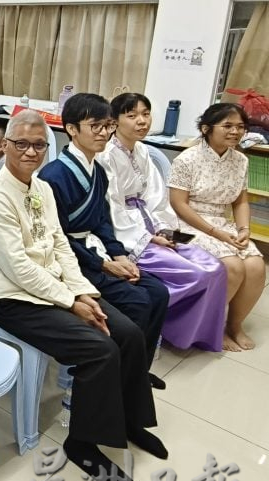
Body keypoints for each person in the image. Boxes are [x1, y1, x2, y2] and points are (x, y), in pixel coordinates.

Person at [0, 109, 165, 481]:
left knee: (128, 333)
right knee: (100, 349)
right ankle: (82, 443)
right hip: (12, 300)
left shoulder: (41, 186)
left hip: (55, 289)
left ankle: (130, 421)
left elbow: (61, 246)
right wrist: (69, 300)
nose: (30, 152)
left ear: (48, 147)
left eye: (39, 145)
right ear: (6, 145)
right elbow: (18, 271)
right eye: (21, 144)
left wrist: (83, 291)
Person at [39, 93, 169, 385]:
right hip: (71, 259)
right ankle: (115, 374)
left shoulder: (98, 170)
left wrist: (118, 254)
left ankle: (137, 370)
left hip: (96, 251)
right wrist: (103, 264)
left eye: (107, 125)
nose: (104, 133)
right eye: (94, 126)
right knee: (138, 302)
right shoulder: (52, 176)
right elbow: (55, 235)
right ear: (72, 129)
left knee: (159, 294)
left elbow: (102, 220)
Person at [96, 93, 227, 353]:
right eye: (132, 115)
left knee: (216, 268)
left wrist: (165, 230)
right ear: (115, 121)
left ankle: (195, 334)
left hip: (153, 227)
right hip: (130, 237)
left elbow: (156, 196)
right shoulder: (106, 156)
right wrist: (148, 238)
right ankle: (168, 327)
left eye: (145, 114)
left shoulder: (143, 151)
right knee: (196, 274)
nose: (141, 121)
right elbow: (113, 209)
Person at [168, 102, 265, 351]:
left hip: (222, 221)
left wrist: (244, 230)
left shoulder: (241, 160)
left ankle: (234, 325)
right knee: (232, 266)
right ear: (206, 128)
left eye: (240, 127)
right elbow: (179, 205)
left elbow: (240, 200)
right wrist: (215, 233)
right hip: (188, 222)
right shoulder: (187, 159)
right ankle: (213, 326)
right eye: (228, 126)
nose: (235, 132)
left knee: (255, 265)